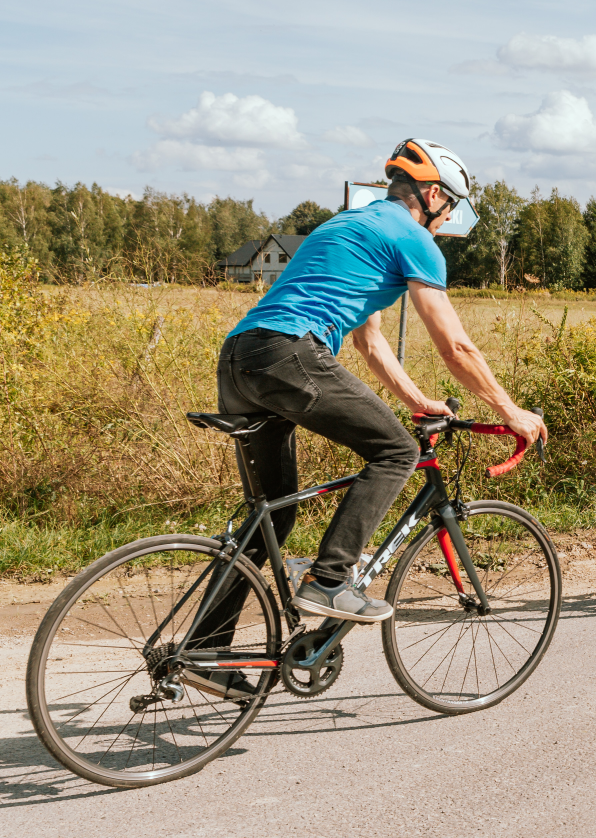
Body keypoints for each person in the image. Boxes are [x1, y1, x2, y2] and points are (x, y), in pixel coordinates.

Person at [214, 138, 548, 626]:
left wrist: (418, 400)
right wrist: (510, 411)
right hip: (290, 353)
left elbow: (368, 342)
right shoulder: (415, 241)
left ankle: (203, 648)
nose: (447, 218)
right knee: (397, 452)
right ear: (433, 196)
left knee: (273, 515)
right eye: (450, 207)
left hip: (240, 358)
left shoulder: (344, 225)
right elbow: (455, 347)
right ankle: (329, 581)